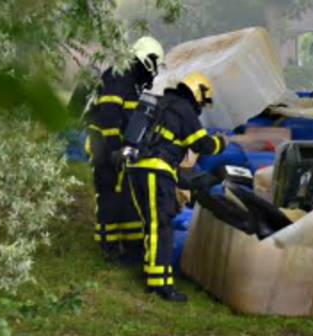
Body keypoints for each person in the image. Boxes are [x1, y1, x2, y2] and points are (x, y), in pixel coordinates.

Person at [125, 72, 228, 301]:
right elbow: (202, 144)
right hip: (156, 170)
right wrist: (222, 142)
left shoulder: (164, 104)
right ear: (197, 92)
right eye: (203, 100)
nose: (201, 106)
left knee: (152, 224)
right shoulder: (184, 110)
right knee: (160, 226)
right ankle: (159, 284)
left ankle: (152, 271)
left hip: (138, 169)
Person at [86, 36, 163, 265]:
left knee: (124, 195)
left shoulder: (131, 80)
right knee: (109, 193)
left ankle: (129, 247)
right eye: (154, 64)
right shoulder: (118, 76)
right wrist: (115, 150)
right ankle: (108, 248)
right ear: (145, 60)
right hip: (103, 144)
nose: (154, 72)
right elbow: (108, 116)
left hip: (116, 146)